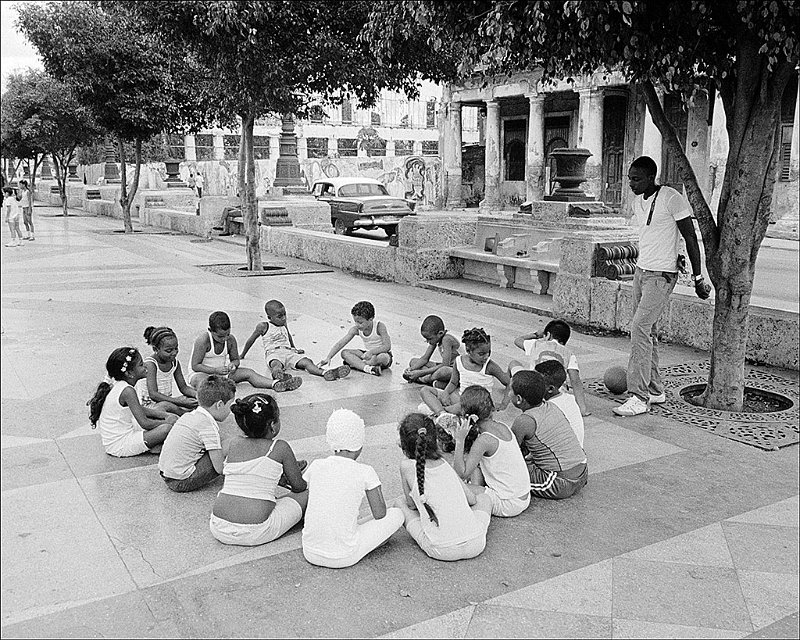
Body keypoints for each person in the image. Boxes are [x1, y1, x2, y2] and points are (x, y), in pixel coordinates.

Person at [615, 156, 709, 416]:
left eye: (636, 179)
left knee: (639, 328)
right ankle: (655, 390)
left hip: (662, 276)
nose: (631, 183)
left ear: (650, 177)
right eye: (630, 178)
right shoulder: (637, 202)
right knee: (648, 333)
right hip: (641, 271)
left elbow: (690, 238)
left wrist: (698, 278)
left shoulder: (671, 197)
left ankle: (638, 396)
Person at [302, 408, 403, 568]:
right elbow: (380, 513)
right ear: (360, 444)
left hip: (309, 551)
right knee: (396, 514)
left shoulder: (316, 465)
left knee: (345, 519)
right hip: (344, 556)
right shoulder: (365, 471)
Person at [210, 393, 309, 546]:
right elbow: (299, 487)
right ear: (273, 425)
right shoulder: (280, 447)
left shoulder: (233, 443)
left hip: (218, 526)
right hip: (255, 532)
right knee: (307, 494)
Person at [396, 413, 492, 561]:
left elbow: (411, 505)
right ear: (434, 440)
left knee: (399, 503)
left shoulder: (406, 466)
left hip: (441, 550)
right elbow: (472, 500)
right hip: (476, 544)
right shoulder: (443, 463)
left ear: (403, 445)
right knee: (484, 498)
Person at [450, 386, 531, 517]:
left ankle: (475, 502)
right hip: (522, 497)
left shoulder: (484, 440)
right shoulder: (502, 426)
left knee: (453, 485)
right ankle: (475, 493)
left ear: (468, 416)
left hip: (507, 503)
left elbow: (462, 473)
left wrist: (460, 440)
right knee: (475, 465)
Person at [509, 370, 588, 500]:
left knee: (504, 471)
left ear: (518, 399)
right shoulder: (551, 406)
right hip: (582, 473)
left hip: (559, 483)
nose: (508, 392)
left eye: (510, 390)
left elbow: (509, 453)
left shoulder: (524, 420)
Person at [87, 347, 177, 457]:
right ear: (129, 374)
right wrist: (170, 422)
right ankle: (154, 445)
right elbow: (145, 423)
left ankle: (154, 444)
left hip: (127, 430)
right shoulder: (127, 391)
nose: (145, 366)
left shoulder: (119, 383)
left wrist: (165, 415)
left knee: (161, 407)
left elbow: (139, 409)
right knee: (166, 429)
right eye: (140, 365)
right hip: (120, 445)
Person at [189, 311, 301, 392]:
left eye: (227, 334)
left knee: (249, 373)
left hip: (221, 373)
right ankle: (204, 395)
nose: (224, 339)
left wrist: (233, 365)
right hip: (201, 373)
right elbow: (195, 366)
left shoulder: (231, 339)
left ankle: (276, 384)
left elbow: (236, 360)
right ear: (210, 331)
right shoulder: (203, 340)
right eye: (220, 336)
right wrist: (214, 370)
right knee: (204, 383)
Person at [241, 299, 351, 382]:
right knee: (276, 365)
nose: (284, 318)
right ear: (269, 317)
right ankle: (280, 378)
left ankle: (325, 372)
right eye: (280, 316)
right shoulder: (263, 326)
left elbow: (288, 336)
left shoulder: (283, 324)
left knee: (307, 362)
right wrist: (242, 354)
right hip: (273, 353)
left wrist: (294, 349)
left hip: (289, 352)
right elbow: (251, 340)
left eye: (284, 314)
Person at [159, 375, 236, 493]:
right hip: (181, 481)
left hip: (167, 474)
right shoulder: (208, 426)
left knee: (219, 444)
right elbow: (219, 469)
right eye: (230, 405)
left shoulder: (190, 415)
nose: (231, 410)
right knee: (229, 444)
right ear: (219, 405)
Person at [419, 328, 509, 418]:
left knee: (456, 406)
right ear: (468, 350)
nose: (486, 357)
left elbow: (509, 383)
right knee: (425, 391)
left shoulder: (490, 366)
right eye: (481, 354)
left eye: (488, 352)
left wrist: (504, 403)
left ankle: (440, 411)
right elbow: (453, 382)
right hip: (461, 398)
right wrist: (446, 393)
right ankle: (442, 414)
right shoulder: (459, 361)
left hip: (478, 404)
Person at [506, 319, 590, 416]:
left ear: (548, 335)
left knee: (513, 363)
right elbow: (575, 381)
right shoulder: (569, 353)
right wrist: (582, 408)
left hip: (531, 389)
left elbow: (518, 341)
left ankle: (508, 386)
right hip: (555, 393)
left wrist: (536, 335)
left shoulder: (536, 344)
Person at [319, 301, 393, 376]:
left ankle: (357, 364)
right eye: (355, 322)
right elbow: (341, 343)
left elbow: (387, 346)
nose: (357, 325)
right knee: (344, 353)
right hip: (367, 354)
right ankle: (369, 368)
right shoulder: (355, 329)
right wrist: (329, 357)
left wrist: (372, 352)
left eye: (360, 323)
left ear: (371, 319)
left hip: (381, 354)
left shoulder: (379, 326)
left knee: (382, 357)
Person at [136, 326, 198, 416]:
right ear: (155, 349)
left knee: (191, 399)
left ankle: (182, 413)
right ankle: (184, 415)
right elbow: (153, 394)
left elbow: (183, 387)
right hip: (150, 406)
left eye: (176, 348)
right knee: (166, 406)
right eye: (168, 350)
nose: (174, 353)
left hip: (168, 402)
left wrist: (197, 395)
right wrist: (180, 403)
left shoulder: (175, 363)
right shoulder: (151, 364)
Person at [535, 360, 584, 448]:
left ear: (550, 389)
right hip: (577, 455)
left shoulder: (548, 408)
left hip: (560, 458)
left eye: (536, 383)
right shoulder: (569, 398)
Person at [403, 315, 461, 387]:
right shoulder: (436, 339)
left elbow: (445, 365)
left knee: (443, 371)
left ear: (440, 333)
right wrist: (412, 369)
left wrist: (421, 372)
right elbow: (425, 358)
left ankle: (425, 379)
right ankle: (434, 381)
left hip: (456, 369)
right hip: (447, 366)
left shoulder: (447, 339)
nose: (428, 341)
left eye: (429, 339)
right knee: (413, 361)